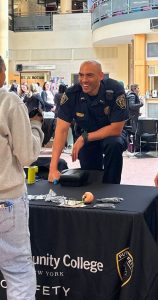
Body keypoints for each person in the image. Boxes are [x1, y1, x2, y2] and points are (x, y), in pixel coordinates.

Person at [0, 56, 44, 300]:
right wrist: (36, 126)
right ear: (1, 74)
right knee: (18, 272)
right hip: (6, 200)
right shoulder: (9, 102)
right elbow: (26, 156)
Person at [48, 60, 128, 184]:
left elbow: (116, 129)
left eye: (89, 75)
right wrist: (53, 169)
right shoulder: (71, 94)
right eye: (81, 75)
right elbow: (61, 130)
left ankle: (112, 188)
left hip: (111, 135)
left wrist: (83, 138)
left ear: (101, 76)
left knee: (114, 144)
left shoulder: (115, 90)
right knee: (91, 177)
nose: (84, 80)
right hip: (86, 136)